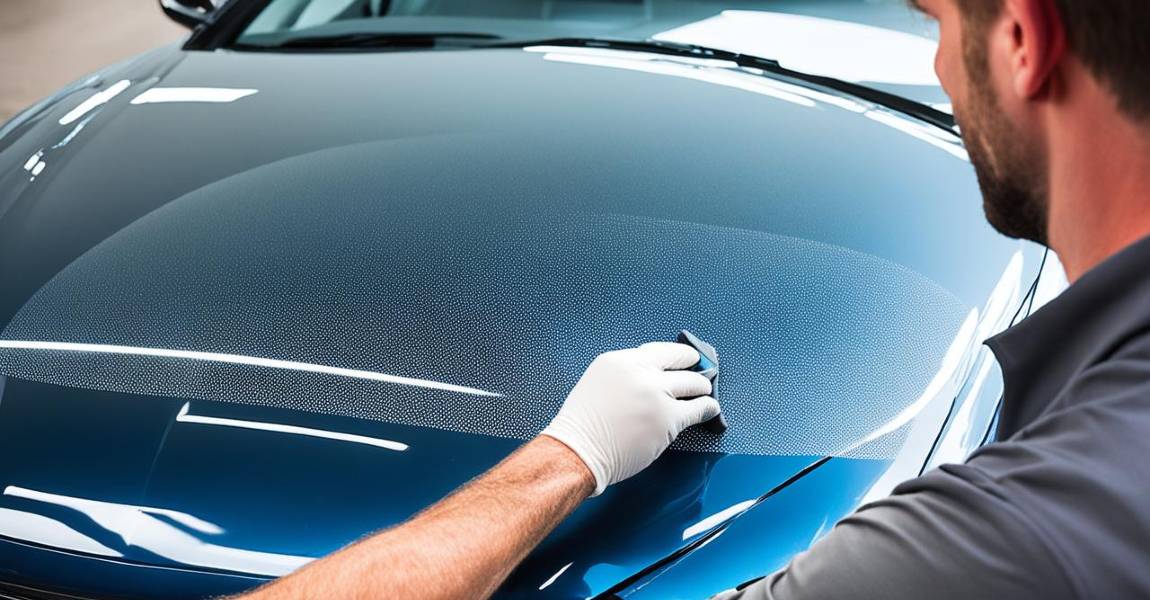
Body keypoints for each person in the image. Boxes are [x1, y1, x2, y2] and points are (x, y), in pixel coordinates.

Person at [239, 0, 1150, 597]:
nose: (945, 67)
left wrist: (568, 456)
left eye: (938, 22)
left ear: (1024, 41)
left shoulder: (1003, 542)